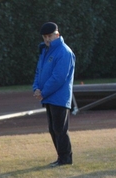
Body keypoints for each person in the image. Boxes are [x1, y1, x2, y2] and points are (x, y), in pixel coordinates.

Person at [32, 22, 75, 167]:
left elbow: (59, 77)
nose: (47, 39)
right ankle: (61, 158)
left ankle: (65, 159)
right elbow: (39, 71)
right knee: (53, 128)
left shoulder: (64, 52)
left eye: (50, 36)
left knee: (59, 129)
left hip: (59, 97)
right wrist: (36, 88)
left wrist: (43, 92)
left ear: (57, 34)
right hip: (49, 96)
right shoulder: (45, 51)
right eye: (45, 37)